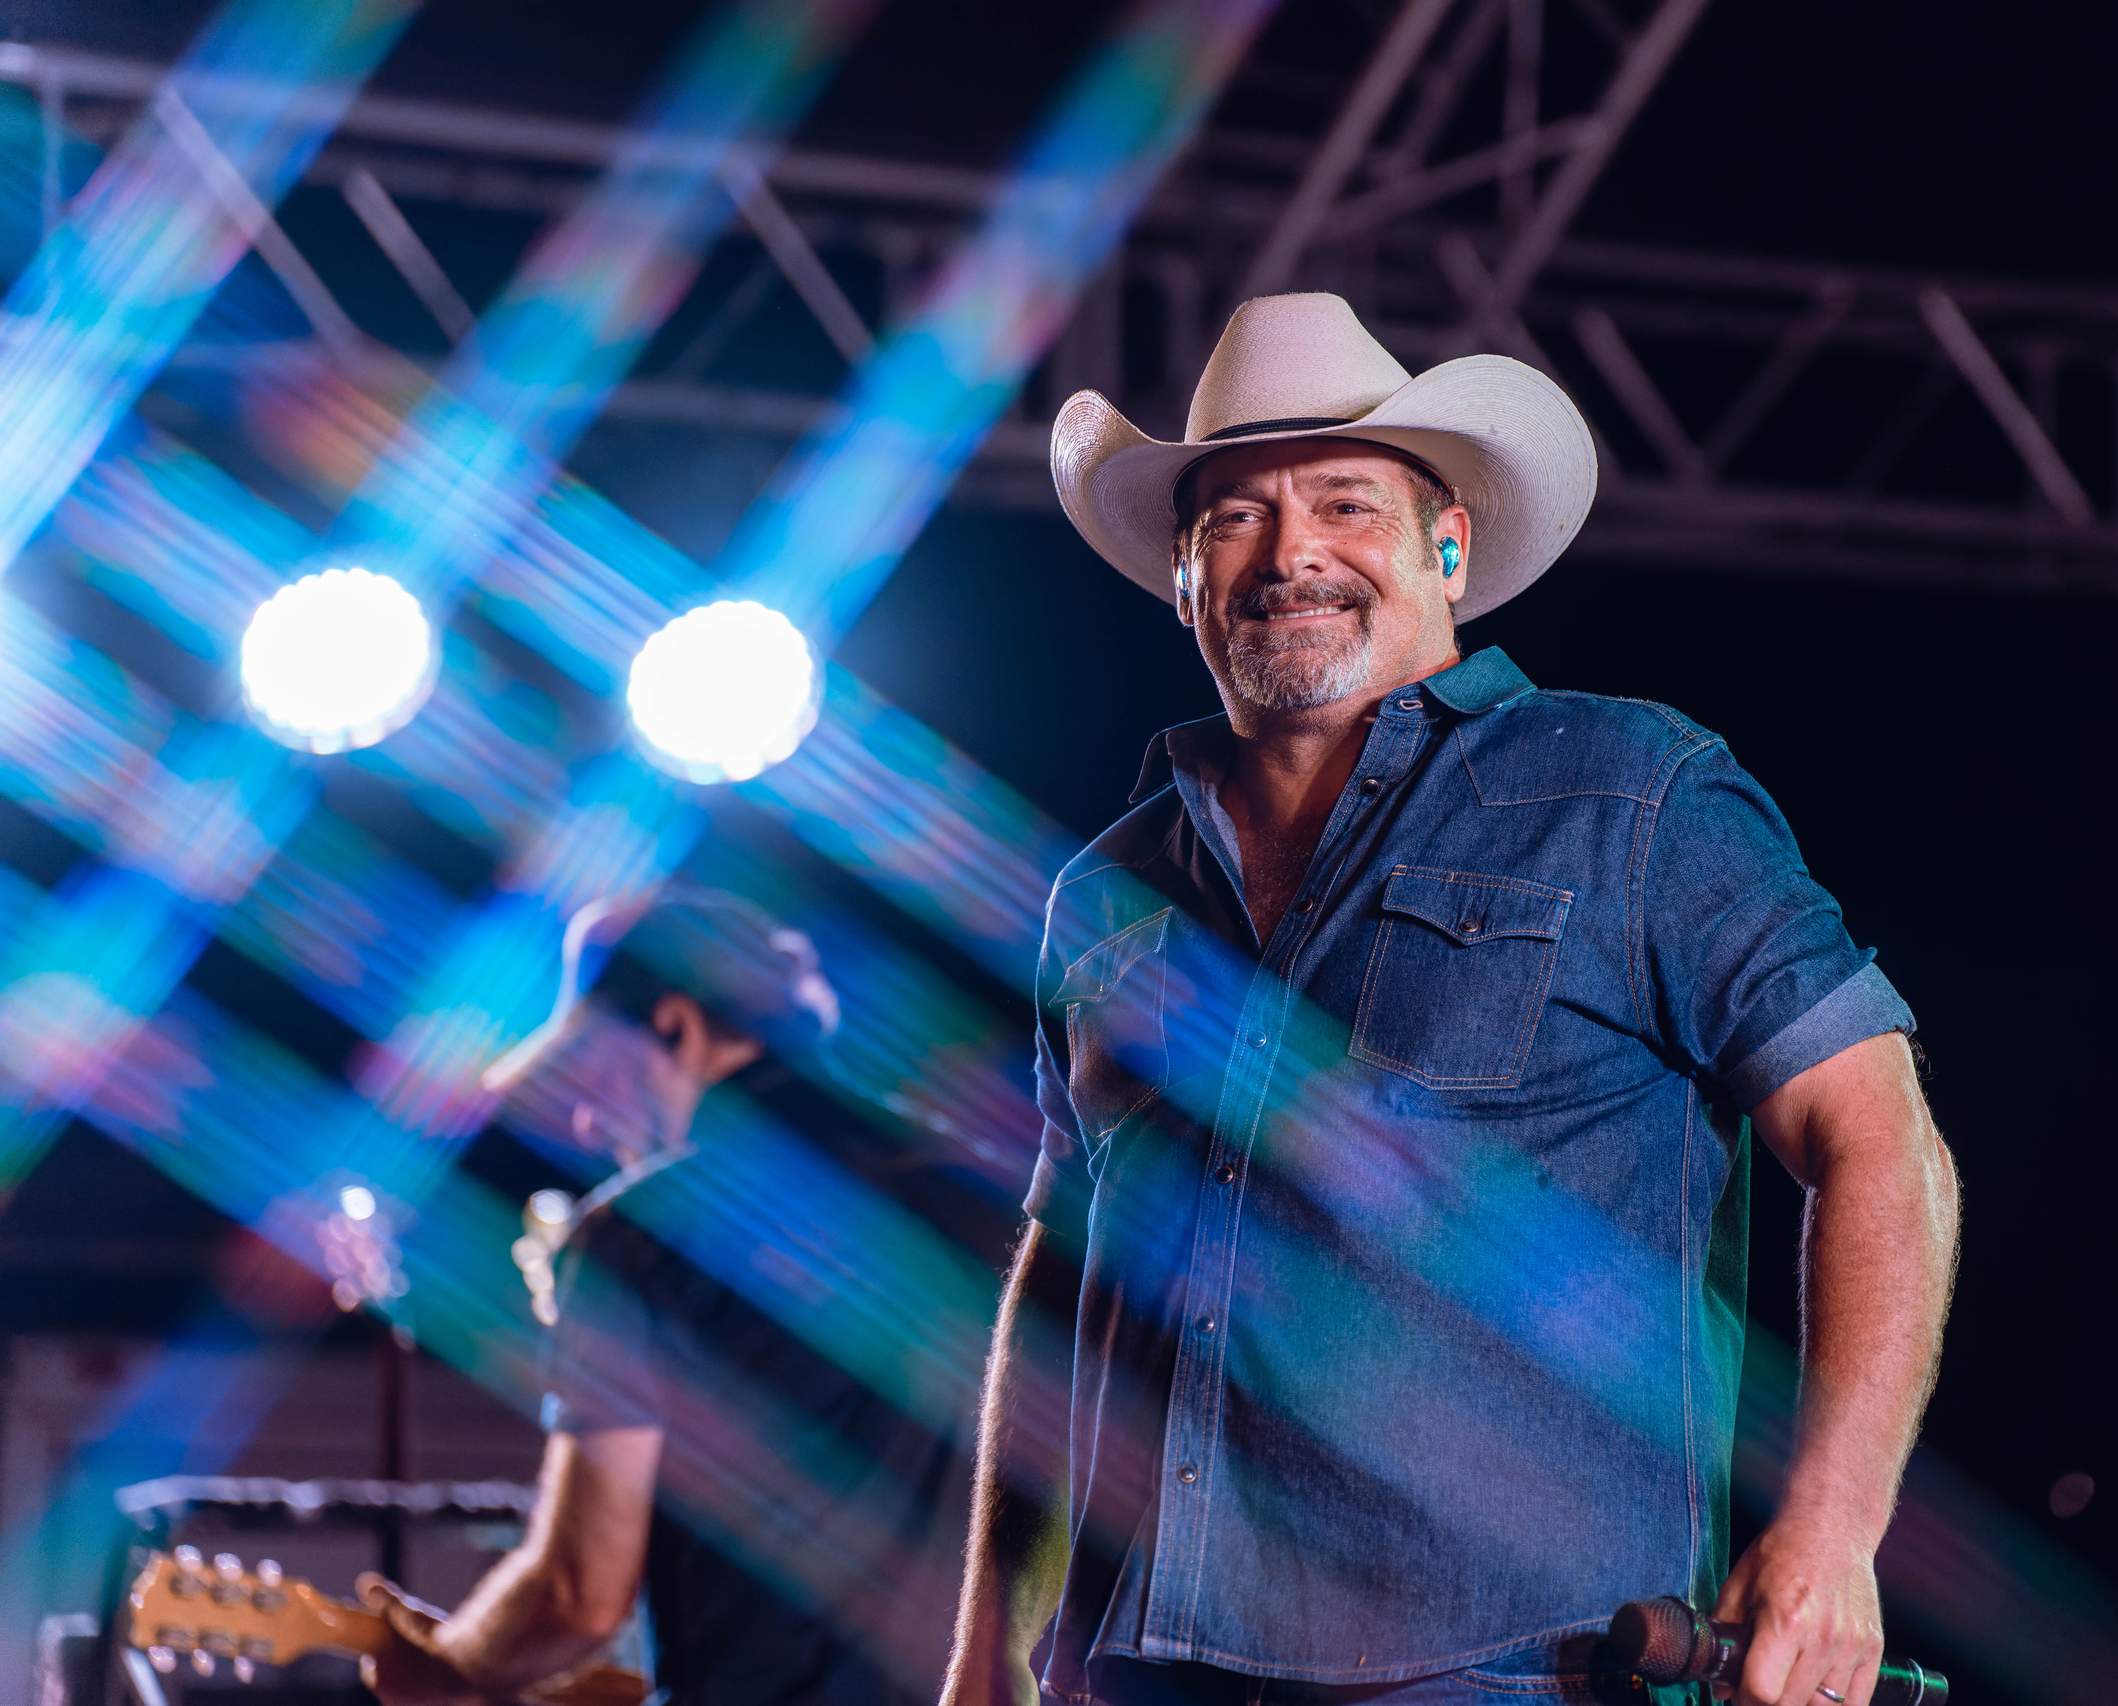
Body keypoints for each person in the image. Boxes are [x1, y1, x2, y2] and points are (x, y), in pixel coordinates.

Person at [941, 294, 1960, 1706]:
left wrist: (1834, 1530)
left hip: (1509, 1666)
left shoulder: (1630, 790)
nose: (1291, 551)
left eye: (1345, 502)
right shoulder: (1109, 893)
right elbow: (1059, 1287)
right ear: (1183, 576)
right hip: (1130, 1668)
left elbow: (1878, 1137)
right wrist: (991, 1647)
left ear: (1449, 544)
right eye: (1234, 517)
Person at [359, 888, 959, 1705]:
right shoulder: (980, 1199)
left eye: (585, 1064)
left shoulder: (642, 1237)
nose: (579, 1118)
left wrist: (448, 1668)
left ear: (676, 1026)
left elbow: (576, 1595)